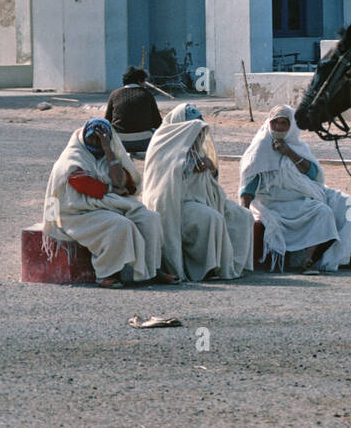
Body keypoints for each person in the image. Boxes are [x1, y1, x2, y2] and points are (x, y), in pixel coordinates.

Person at [42, 118, 178, 288]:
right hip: (79, 211)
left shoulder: (110, 152)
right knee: (120, 225)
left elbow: (122, 183)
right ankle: (107, 274)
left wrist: (108, 150)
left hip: (109, 203)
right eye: (93, 138)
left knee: (150, 219)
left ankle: (152, 270)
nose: (96, 142)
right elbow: (80, 182)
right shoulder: (73, 156)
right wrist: (109, 190)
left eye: (102, 139)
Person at [238, 104, 351, 273]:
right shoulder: (260, 149)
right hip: (279, 200)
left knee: (347, 203)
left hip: (307, 190)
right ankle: (307, 261)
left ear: (291, 126)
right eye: (275, 123)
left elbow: (313, 174)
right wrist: (243, 214)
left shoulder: (296, 145)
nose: (278, 127)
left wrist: (288, 152)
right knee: (322, 211)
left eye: (283, 123)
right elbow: (248, 186)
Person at [141, 104, 255, 281]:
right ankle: (207, 269)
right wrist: (190, 165)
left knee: (243, 215)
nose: (200, 135)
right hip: (177, 204)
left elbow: (210, 181)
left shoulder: (195, 146)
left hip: (204, 199)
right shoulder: (164, 142)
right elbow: (168, 181)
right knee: (211, 218)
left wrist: (210, 166)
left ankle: (235, 266)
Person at [104, 66, 163, 155]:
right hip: (144, 142)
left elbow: (107, 121)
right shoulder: (147, 94)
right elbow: (158, 122)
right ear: (139, 80)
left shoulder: (114, 94)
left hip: (120, 143)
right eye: (144, 81)